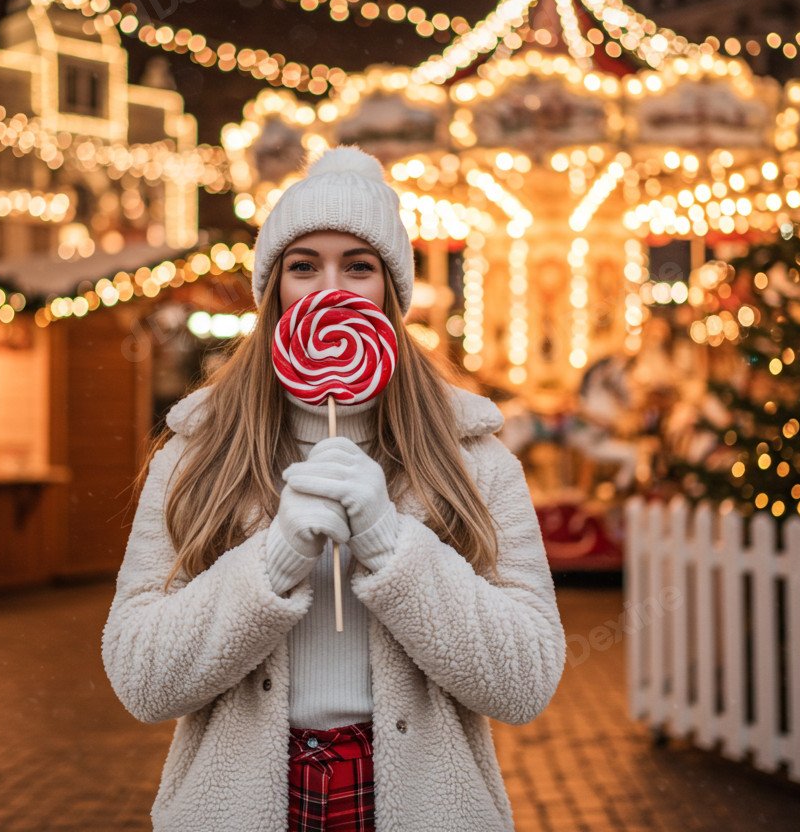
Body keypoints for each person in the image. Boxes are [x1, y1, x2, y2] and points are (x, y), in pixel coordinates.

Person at [101, 145, 566, 832]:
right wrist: (276, 557)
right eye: (302, 266)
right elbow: (143, 679)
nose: (329, 289)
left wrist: (390, 541)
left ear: (391, 292)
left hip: (419, 803)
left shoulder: (474, 459)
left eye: (358, 266)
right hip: (241, 805)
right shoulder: (196, 456)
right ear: (274, 292)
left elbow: (525, 680)